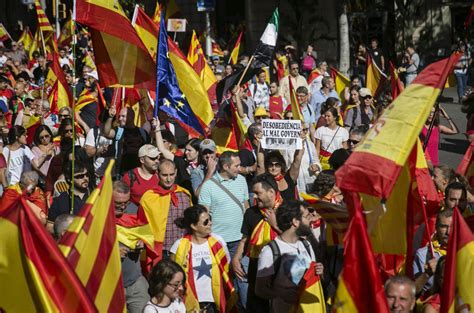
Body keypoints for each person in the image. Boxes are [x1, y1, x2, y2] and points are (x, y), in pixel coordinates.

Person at [255, 200, 325, 313]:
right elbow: (260, 290)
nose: (312, 220)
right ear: (295, 222)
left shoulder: (306, 245)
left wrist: (319, 272)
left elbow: (313, 278)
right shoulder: (270, 251)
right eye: (307, 216)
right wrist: (280, 293)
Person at [232, 174, 283, 312]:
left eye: (258, 193)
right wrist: (236, 259)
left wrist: (274, 225)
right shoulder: (250, 213)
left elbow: (295, 240)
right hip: (257, 272)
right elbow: (244, 240)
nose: (254, 197)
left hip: (281, 272)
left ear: (271, 192)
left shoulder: (288, 211)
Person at [171, 205, 235, 313]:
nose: (210, 223)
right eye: (205, 222)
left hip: (215, 302)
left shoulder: (218, 242)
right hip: (189, 303)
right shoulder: (178, 246)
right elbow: (172, 276)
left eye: (210, 219)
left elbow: (227, 270)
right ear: (194, 226)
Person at [198, 151, 250, 259]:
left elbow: (246, 207)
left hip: (239, 240)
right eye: (236, 166)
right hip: (217, 241)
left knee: (239, 274)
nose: (240, 168)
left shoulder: (242, 180)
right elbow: (204, 215)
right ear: (226, 166)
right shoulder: (208, 186)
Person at [138, 159, 192, 260]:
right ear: (157, 174)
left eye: (171, 174)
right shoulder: (149, 197)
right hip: (159, 251)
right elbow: (141, 224)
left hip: (182, 250)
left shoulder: (185, 195)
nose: (168, 179)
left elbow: (191, 223)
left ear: (176, 172)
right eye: (164, 175)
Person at [114, 181, 150, 313]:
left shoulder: (134, 211)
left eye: (126, 202)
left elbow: (145, 242)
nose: (123, 207)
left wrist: (142, 243)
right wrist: (112, 252)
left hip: (135, 283)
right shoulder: (97, 215)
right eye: (118, 203)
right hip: (109, 286)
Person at [414, 209, 453, 295]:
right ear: (436, 227)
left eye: (452, 226)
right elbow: (413, 292)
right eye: (443, 227)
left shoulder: (468, 250)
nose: (448, 232)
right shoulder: (423, 254)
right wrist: (427, 274)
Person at [103, 106, 150, 176]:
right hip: (122, 173)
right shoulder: (119, 130)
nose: (120, 119)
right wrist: (110, 117)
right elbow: (107, 133)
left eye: (123, 116)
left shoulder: (142, 133)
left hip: (140, 173)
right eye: (119, 116)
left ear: (131, 116)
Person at [47, 161, 91, 233]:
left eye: (87, 174)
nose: (85, 178)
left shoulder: (95, 194)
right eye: (80, 176)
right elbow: (50, 226)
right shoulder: (60, 201)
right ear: (69, 179)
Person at [283, 123, 321, 193]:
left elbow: (317, 161)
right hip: (296, 184)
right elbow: (285, 166)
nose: (303, 132)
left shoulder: (310, 144)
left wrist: (317, 166)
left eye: (305, 130)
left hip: (310, 182)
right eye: (300, 130)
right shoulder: (288, 146)